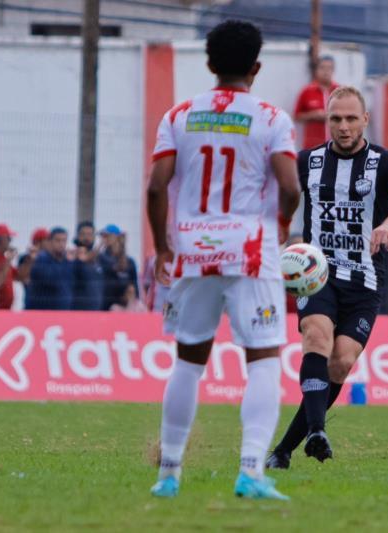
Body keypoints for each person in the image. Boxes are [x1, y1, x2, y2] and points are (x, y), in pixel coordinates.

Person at [146, 20, 300, 500]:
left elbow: (156, 187)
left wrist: (164, 247)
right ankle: (251, 470)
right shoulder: (272, 118)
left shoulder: (179, 115)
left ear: (210, 65)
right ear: (257, 67)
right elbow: (291, 187)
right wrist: (280, 224)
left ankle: (168, 473)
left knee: (189, 361)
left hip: (192, 250)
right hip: (251, 252)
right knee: (263, 358)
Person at [266, 85, 388, 469]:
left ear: (365, 120)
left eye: (351, 118)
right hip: (317, 275)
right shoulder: (307, 162)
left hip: (366, 281)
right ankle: (318, 430)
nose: (343, 126)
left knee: (341, 361)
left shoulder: (386, 164)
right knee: (316, 336)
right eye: (335, 119)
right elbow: (272, 195)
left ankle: (283, 450)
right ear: (326, 121)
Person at [294, 55, 339, 150]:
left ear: (333, 70)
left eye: (329, 68)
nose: (326, 71)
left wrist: (333, 116)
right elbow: (296, 116)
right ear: (316, 70)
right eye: (322, 67)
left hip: (336, 145)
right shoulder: (307, 91)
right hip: (313, 146)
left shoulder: (340, 91)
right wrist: (313, 115)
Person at [25, 227, 73, 310]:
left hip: (63, 313)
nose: (61, 244)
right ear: (50, 242)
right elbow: (52, 280)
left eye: (64, 240)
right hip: (43, 313)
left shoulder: (67, 261)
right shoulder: (41, 259)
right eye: (58, 240)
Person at [98, 225, 139, 311]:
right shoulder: (101, 258)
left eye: (107, 236)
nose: (104, 239)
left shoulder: (130, 261)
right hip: (104, 307)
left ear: (116, 237)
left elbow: (134, 287)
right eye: (103, 236)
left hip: (122, 308)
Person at [71, 221, 104, 311]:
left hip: (97, 310)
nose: (86, 237)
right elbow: (85, 258)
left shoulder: (100, 259)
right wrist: (102, 243)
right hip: (77, 310)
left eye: (89, 234)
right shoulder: (73, 255)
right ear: (77, 236)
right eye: (83, 234)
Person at [0, 223, 18, 310]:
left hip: (5, 310)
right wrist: (8, 260)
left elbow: (18, 276)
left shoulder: (2, 258)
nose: (10, 241)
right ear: (0, 239)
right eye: (8, 238)